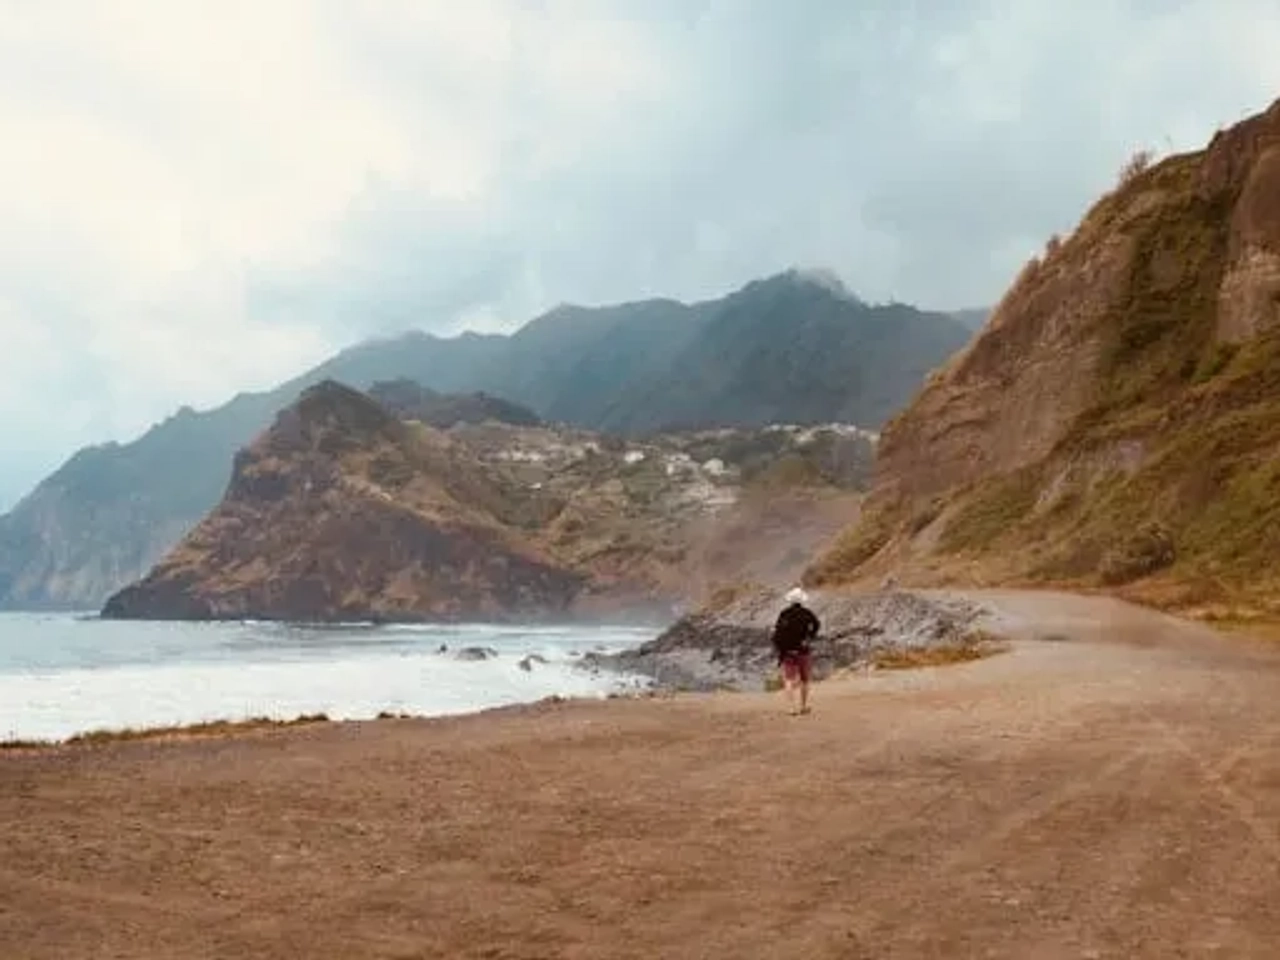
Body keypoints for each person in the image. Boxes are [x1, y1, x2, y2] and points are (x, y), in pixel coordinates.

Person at [771, 586, 820, 716]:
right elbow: (817, 624)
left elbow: (777, 631)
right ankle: (803, 707)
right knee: (805, 680)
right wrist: (809, 636)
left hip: (788, 651)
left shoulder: (784, 613)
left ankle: (791, 708)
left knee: (788, 680)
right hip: (803, 650)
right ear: (802, 601)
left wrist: (780, 648)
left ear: (790, 601)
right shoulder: (807, 613)